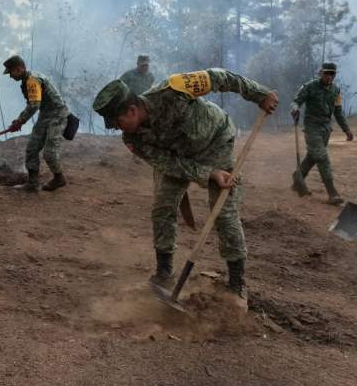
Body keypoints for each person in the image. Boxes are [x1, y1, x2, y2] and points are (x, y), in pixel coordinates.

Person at [92, 69, 278, 301]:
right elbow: (168, 164)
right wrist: (208, 174)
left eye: (118, 123)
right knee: (162, 208)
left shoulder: (174, 89)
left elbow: (220, 77)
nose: (118, 129)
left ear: (132, 110)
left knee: (223, 212)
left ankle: (237, 284)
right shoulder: (133, 139)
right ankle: (164, 273)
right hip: (180, 158)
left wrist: (259, 94)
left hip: (215, 142)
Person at [3, 55, 70, 192]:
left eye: (10, 72)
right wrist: (18, 122)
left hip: (57, 114)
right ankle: (33, 183)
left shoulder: (32, 80)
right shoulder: (27, 79)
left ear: (19, 69)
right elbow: (34, 104)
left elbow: (34, 105)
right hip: (46, 114)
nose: (10, 76)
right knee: (32, 148)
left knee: (49, 152)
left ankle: (59, 178)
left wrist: (19, 121)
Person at [290, 62, 354, 205]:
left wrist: (347, 129)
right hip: (311, 127)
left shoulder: (336, 90)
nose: (329, 76)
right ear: (320, 73)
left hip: (325, 129)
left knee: (313, 157)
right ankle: (332, 193)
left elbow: (338, 112)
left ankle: (297, 178)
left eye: (332, 74)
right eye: (326, 73)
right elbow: (296, 101)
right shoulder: (309, 87)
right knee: (322, 157)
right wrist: (295, 109)